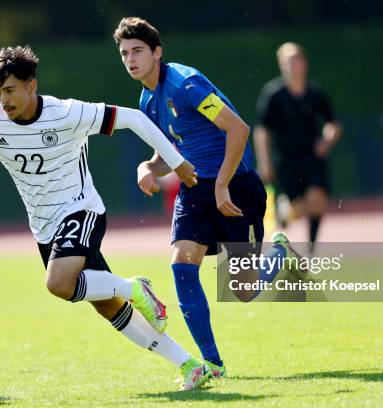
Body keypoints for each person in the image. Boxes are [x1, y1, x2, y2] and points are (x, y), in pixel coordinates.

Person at [0, 45, 211, 390]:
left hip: (81, 209)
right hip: (44, 227)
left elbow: (133, 118)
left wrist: (175, 162)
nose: (4, 100)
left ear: (31, 86)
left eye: (10, 90)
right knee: (105, 305)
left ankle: (134, 286)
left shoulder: (67, 113)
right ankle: (189, 364)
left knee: (58, 284)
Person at [113, 17, 302, 382]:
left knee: (243, 291)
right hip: (195, 189)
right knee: (182, 267)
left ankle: (278, 252)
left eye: (137, 51)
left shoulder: (185, 84)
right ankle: (211, 363)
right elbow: (168, 151)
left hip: (236, 187)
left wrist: (222, 186)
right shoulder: (146, 97)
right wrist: (146, 166)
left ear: (157, 52)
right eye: (124, 53)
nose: (130, 59)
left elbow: (238, 130)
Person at [254, 42, 342, 250]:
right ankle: (285, 213)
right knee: (298, 209)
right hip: (285, 159)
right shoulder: (273, 95)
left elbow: (334, 124)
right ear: (281, 65)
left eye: (295, 60)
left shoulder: (316, 93)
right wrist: (264, 162)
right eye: (287, 62)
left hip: (312, 158)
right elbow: (262, 130)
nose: (292, 66)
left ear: (304, 63)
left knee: (317, 200)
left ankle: (311, 248)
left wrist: (326, 141)